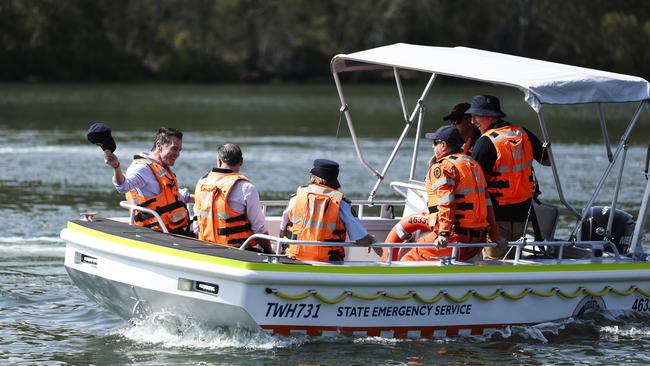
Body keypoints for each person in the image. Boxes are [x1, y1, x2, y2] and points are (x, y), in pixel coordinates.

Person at [467, 95, 550, 260]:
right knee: (514, 261)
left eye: (475, 116)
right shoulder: (523, 133)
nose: (472, 121)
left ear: (489, 116)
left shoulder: (485, 142)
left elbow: (471, 181)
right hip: (522, 216)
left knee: (493, 264)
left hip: (497, 219)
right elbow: (547, 161)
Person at [402, 125, 501, 262]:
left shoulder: (443, 167)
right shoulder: (473, 164)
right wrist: (494, 234)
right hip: (477, 242)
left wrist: (443, 234)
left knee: (407, 260)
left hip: (455, 238)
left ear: (443, 145)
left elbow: (446, 202)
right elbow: (487, 202)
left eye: (434, 143)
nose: (432, 147)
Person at [281, 159, 375, 261]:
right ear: (335, 179)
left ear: (312, 176)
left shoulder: (297, 197)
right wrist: (372, 240)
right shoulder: (341, 204)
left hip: (293, 258)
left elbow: (282, 233)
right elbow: (362, 240)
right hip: (328, 262)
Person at [104, 127, 192, 235]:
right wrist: (117, 167)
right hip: (157, 233)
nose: (177, 154)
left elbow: (174, 196)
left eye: (179, 150)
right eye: (174, 149)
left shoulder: (161, 167)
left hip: (175, 228)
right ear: (159, 145)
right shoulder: (142, 168)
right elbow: (123, 186)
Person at [194, 143, 273, 254]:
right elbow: (259, 228)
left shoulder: (202, 182)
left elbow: (196, 221)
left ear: (219, 161)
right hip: (237, 252)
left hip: (205, 247)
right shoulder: (247, 188)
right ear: (241, 161)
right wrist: (270, 251)